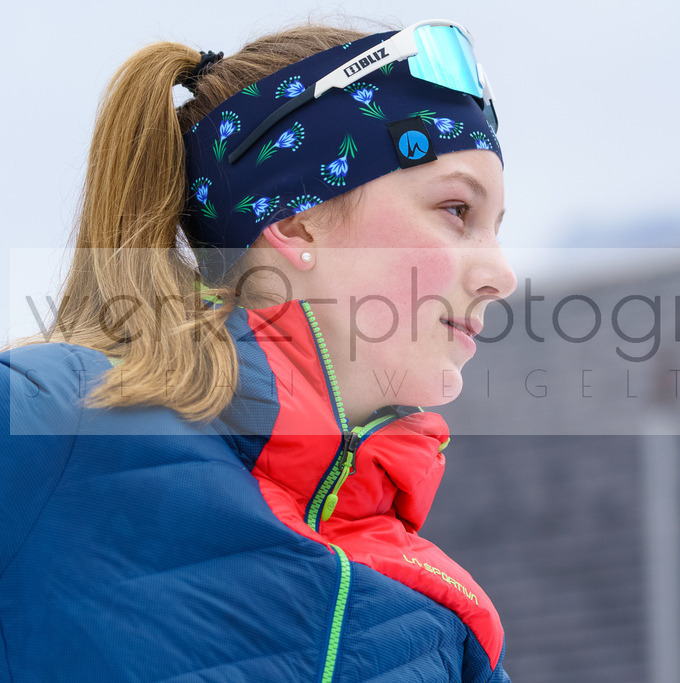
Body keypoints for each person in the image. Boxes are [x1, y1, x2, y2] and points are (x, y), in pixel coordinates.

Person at [0, 19, 515, 682]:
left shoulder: (447, 623)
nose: (502, 273)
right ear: (297, 217)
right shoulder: (56, 425)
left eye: (497, 227)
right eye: (456, 210)